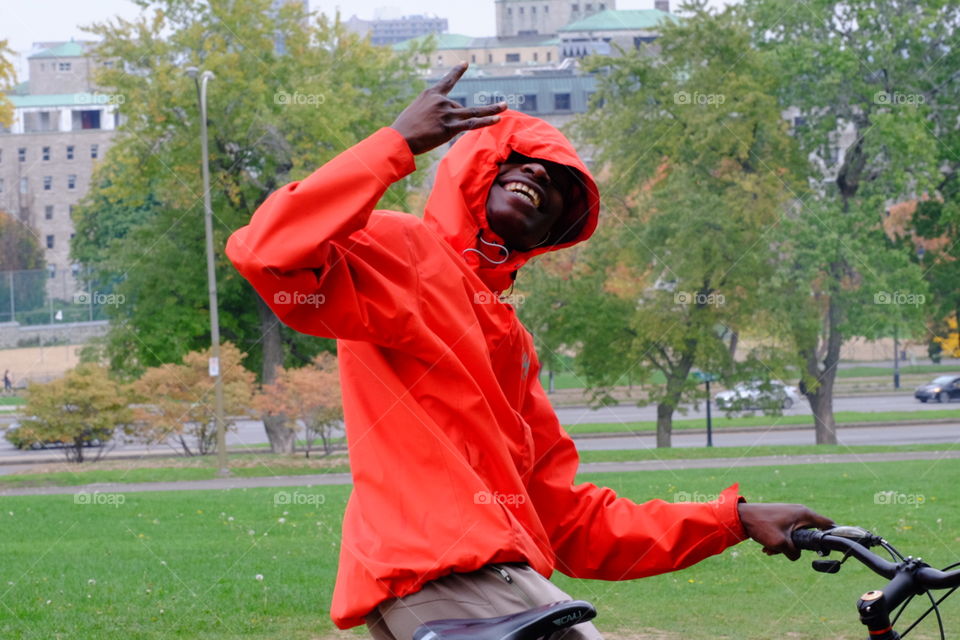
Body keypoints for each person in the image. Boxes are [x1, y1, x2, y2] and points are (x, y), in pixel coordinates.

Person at [226, 63, 833, 640]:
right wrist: (397, 143)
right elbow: (267, 251)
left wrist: (733, 519)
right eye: (521, 161)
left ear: (553, 235)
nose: (540, 175)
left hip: (495, 577)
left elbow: (569, 524)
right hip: (445, 572)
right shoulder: (403, 250)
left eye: (562, 186)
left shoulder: (513, 344)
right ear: (477, 169)